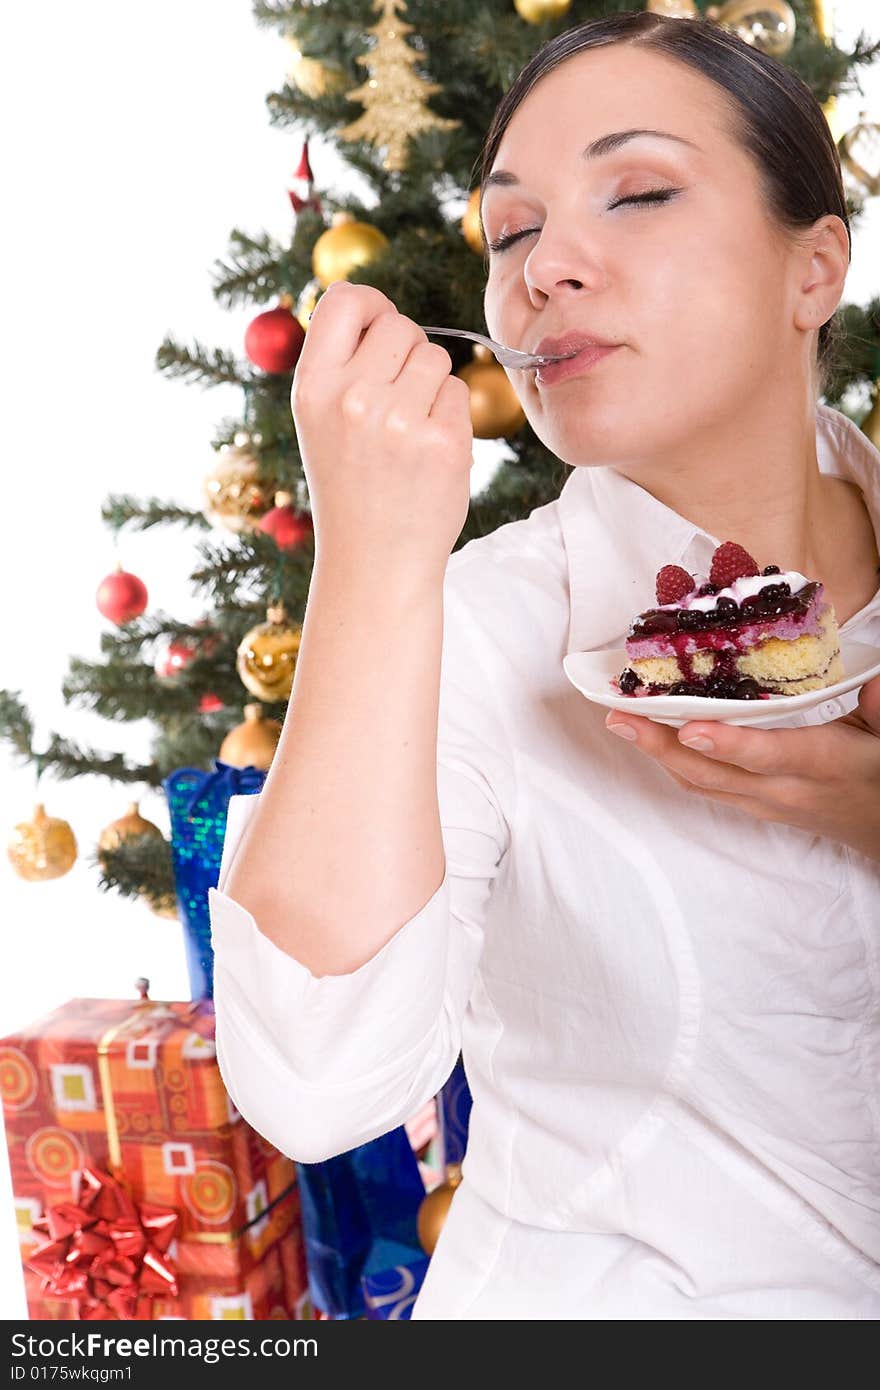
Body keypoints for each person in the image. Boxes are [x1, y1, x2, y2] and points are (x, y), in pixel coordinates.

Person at [208, 10, 880, 1319]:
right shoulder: (476, 624)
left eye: (635, 194)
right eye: (511, 231)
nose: (544, 268)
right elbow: (313, 1083)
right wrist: (372, 564)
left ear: (815, 271)